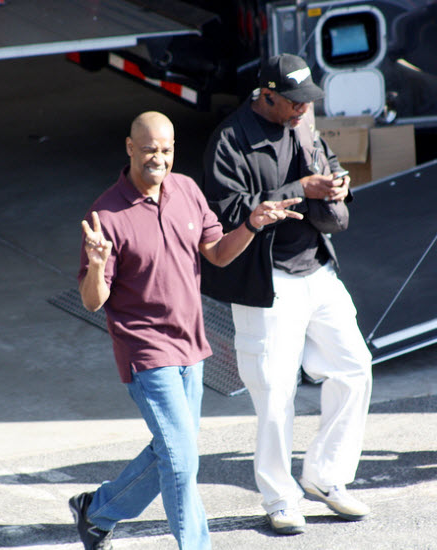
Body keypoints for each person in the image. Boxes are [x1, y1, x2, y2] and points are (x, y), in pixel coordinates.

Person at [68, 110, 302, 550]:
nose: (158, 158)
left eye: (166, 149)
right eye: (149, 149)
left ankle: (96, 511)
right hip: (146, 351)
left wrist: (252, 224)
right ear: (130, 148)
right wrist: (97, 266)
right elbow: (93, 301)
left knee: (174, 450)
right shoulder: (107, 215)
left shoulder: (187, 191)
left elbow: (216, 253)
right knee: (181, 462)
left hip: (192, 346)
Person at [201, 53, 373, 535]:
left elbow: (328, 164)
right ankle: (279, 497)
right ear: (266, 95)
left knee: (354, 368)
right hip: (267, 283)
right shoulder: (230, 141)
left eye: (307, 101)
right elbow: (226, 213)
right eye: (294, 101)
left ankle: (326, 476)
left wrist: (337, 185)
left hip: (317, 269)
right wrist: (301, 188)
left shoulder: (303, 125)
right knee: (275, 394)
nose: (302, 109)